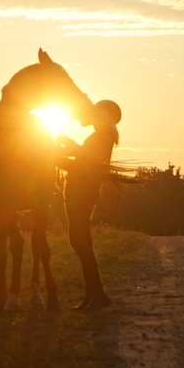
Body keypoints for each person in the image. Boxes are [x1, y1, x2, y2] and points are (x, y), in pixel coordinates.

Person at [57, 99, 121, 310]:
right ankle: (94, 294)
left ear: (104, 115)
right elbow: (82, 164)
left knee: (78, 240)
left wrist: (73, 146)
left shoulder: (103, 137)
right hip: (79, 188)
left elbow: (94, 159)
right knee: (81, 240)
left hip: (82, 190)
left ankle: (97, 293)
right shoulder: (99, 136)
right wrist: (58, 158)